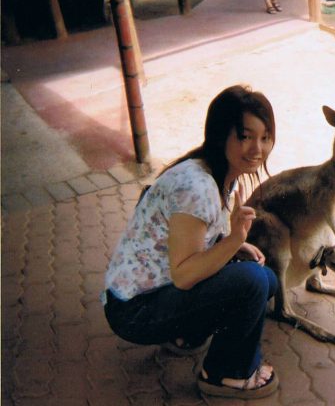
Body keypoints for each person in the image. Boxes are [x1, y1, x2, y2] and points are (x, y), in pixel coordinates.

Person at [102, 85, 279, 399]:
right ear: (220, 134)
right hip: (134, 311)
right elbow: (184, 275)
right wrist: (235, 239)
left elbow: (192, 237)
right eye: (245, 136)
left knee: (266, 279)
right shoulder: (196, 186)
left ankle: (187, 334)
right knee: (253, 281)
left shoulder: (219, 170)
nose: (257, 149)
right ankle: (226, 374)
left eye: (265, 137)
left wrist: (230, 243)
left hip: (153, 293)